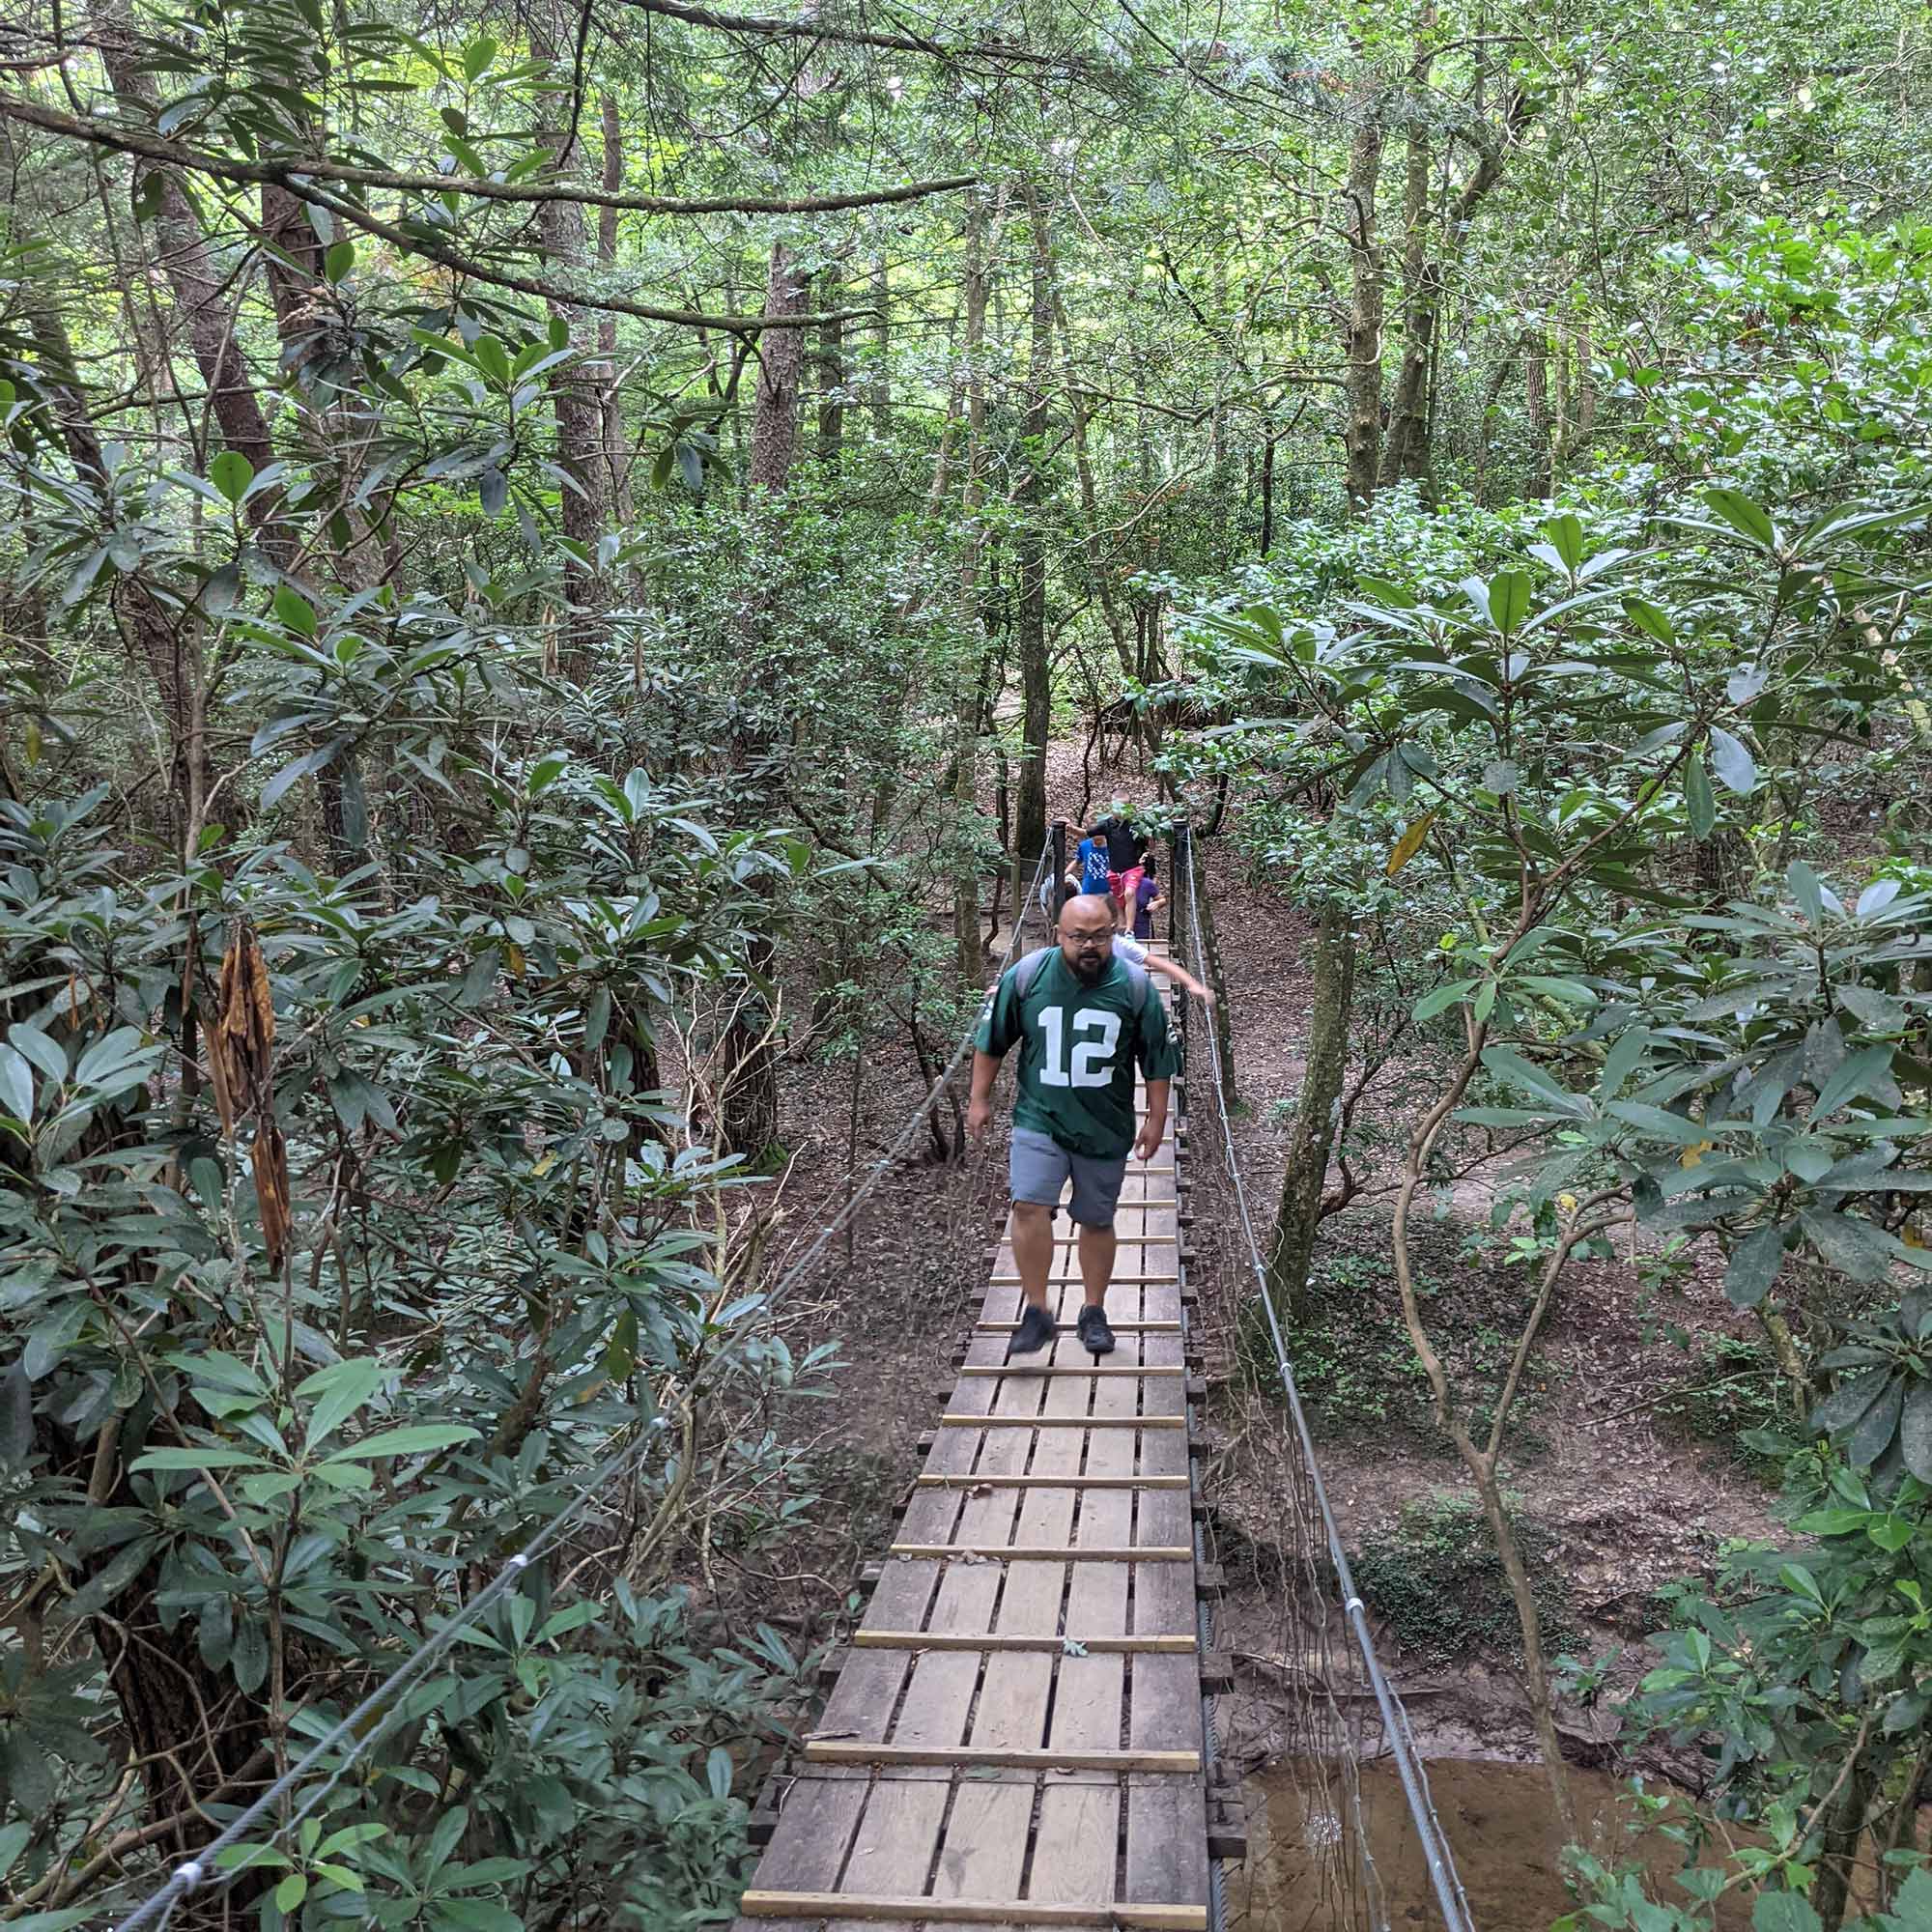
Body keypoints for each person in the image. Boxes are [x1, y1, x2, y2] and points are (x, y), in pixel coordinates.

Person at [968, 893, 1180, 1356]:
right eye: (1079, 936)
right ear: (1059, 935)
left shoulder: (1135, 987)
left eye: (1101, 936)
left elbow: (1158, 1060)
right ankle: (1038, 1311)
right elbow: (993, 1041)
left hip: (1105, 1124)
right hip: (1038, 1117)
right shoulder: (1027, 977)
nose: (1090, 945)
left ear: (1113, 934)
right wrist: (977, 1100)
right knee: (1027, 1206)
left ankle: (1094, 1310)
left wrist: (1156, 1119)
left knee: (1097, 1218)